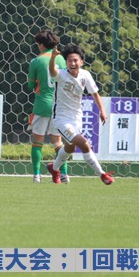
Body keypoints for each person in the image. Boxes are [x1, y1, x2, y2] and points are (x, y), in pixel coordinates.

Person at [45, 43, 113, 185]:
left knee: (70, 147)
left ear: (81, 62)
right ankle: (102, 174)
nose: (73, 63)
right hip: (61, 119)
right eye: (69, 60)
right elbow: (52, 71)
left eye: (76, 60)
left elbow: (95, 94)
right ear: (66, 62)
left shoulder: (85, 75)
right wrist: (52, 57)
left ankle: (54, 168)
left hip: (77, 118)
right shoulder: (62, 74)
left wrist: (102, 110)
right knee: (84, 144)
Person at [27, 30, 68, 183]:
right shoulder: (63, 60)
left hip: (41, 105)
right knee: (58, 142)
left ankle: (37, 175)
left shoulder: (36, 61)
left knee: (37, 141)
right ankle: (64, 174)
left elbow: (30, 85)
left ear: (42, 45)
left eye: (38, 44)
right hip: (59, 105)